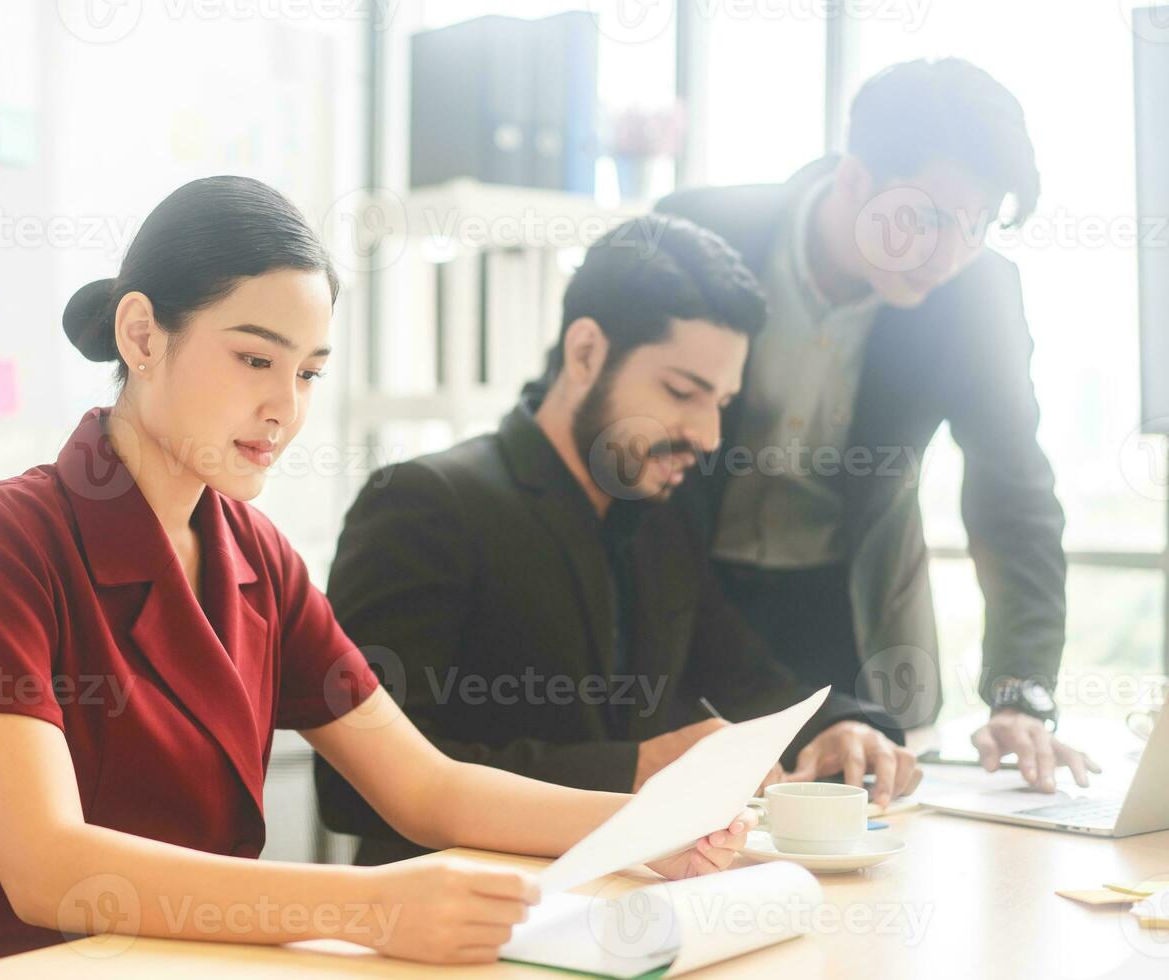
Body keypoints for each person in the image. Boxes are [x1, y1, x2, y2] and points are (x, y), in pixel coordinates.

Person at [0, 177, 756, 976]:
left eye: (307, 373)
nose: (286, 408)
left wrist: (650, 831)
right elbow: (50, 868)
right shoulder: (2, 536)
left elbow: (426, 787)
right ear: (142, 335)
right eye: (255, 360)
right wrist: (371, 907)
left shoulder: (257, 556)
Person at [315, 214, 919, 866]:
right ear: (585, 354)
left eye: (720, 401)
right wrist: (634, 767)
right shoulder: (422, 504)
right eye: (682, 391)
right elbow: (355, 789)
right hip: (457, 923)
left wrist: (837, 725)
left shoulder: (664, 514)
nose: (708, 435)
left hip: (628, 903)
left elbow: (745, 674)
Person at [652, 58, 1097, 792]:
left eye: (976, 225)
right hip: (686, 595)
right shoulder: (699, 231)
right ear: (856, 180)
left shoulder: (977, 296)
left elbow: (1013, 497)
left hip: (851, 609)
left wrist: (1020, 695)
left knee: (872, 827)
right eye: (927, 218)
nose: (950, 254)